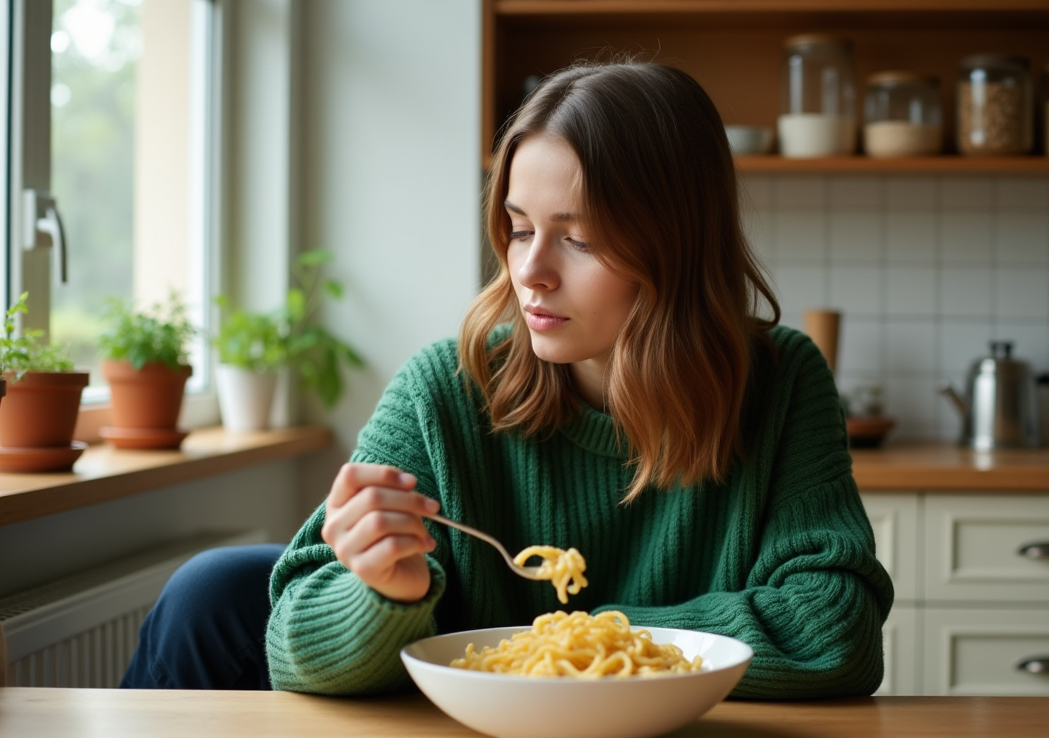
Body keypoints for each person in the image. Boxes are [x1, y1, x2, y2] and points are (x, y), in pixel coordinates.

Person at [124, 59, 893, 698]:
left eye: (580, 239)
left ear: (677, 248)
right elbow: (295, 650)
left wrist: (585, 641)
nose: (530, 272)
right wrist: (385, 593)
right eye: (520, 228)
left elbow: (836, 631)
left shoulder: (781, 382)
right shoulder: (447, 388)